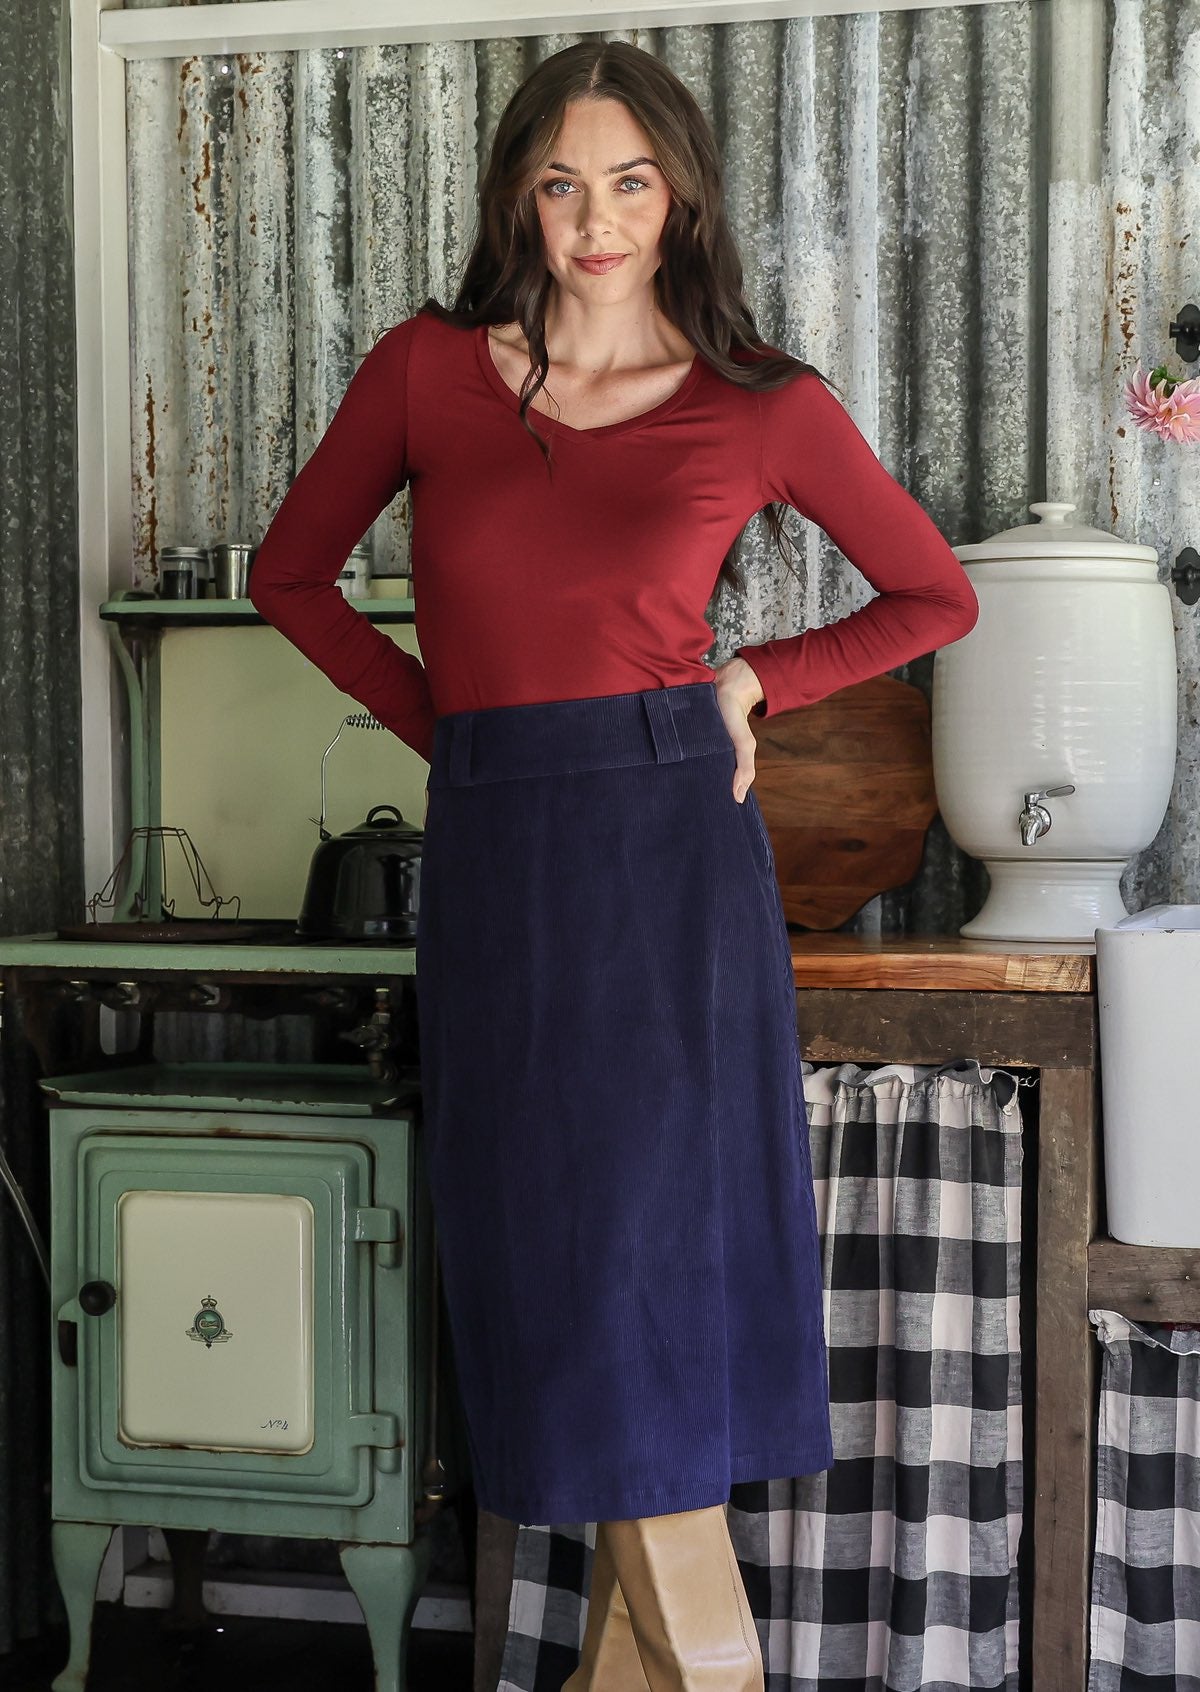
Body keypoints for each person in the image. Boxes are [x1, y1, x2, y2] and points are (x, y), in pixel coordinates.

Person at [249, 38, 978, 1692]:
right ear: (517, 196)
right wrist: (450, 730)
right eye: (561, 184)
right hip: (502, 860)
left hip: (669, 859)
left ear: (681, 199)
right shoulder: (427, 373)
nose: (594, 221)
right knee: (563, 1271)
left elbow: (935, 596)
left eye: (630, 183)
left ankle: (711, 1667)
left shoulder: (762, 403)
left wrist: (753, 680)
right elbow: (294, 577)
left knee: (654, 1261)